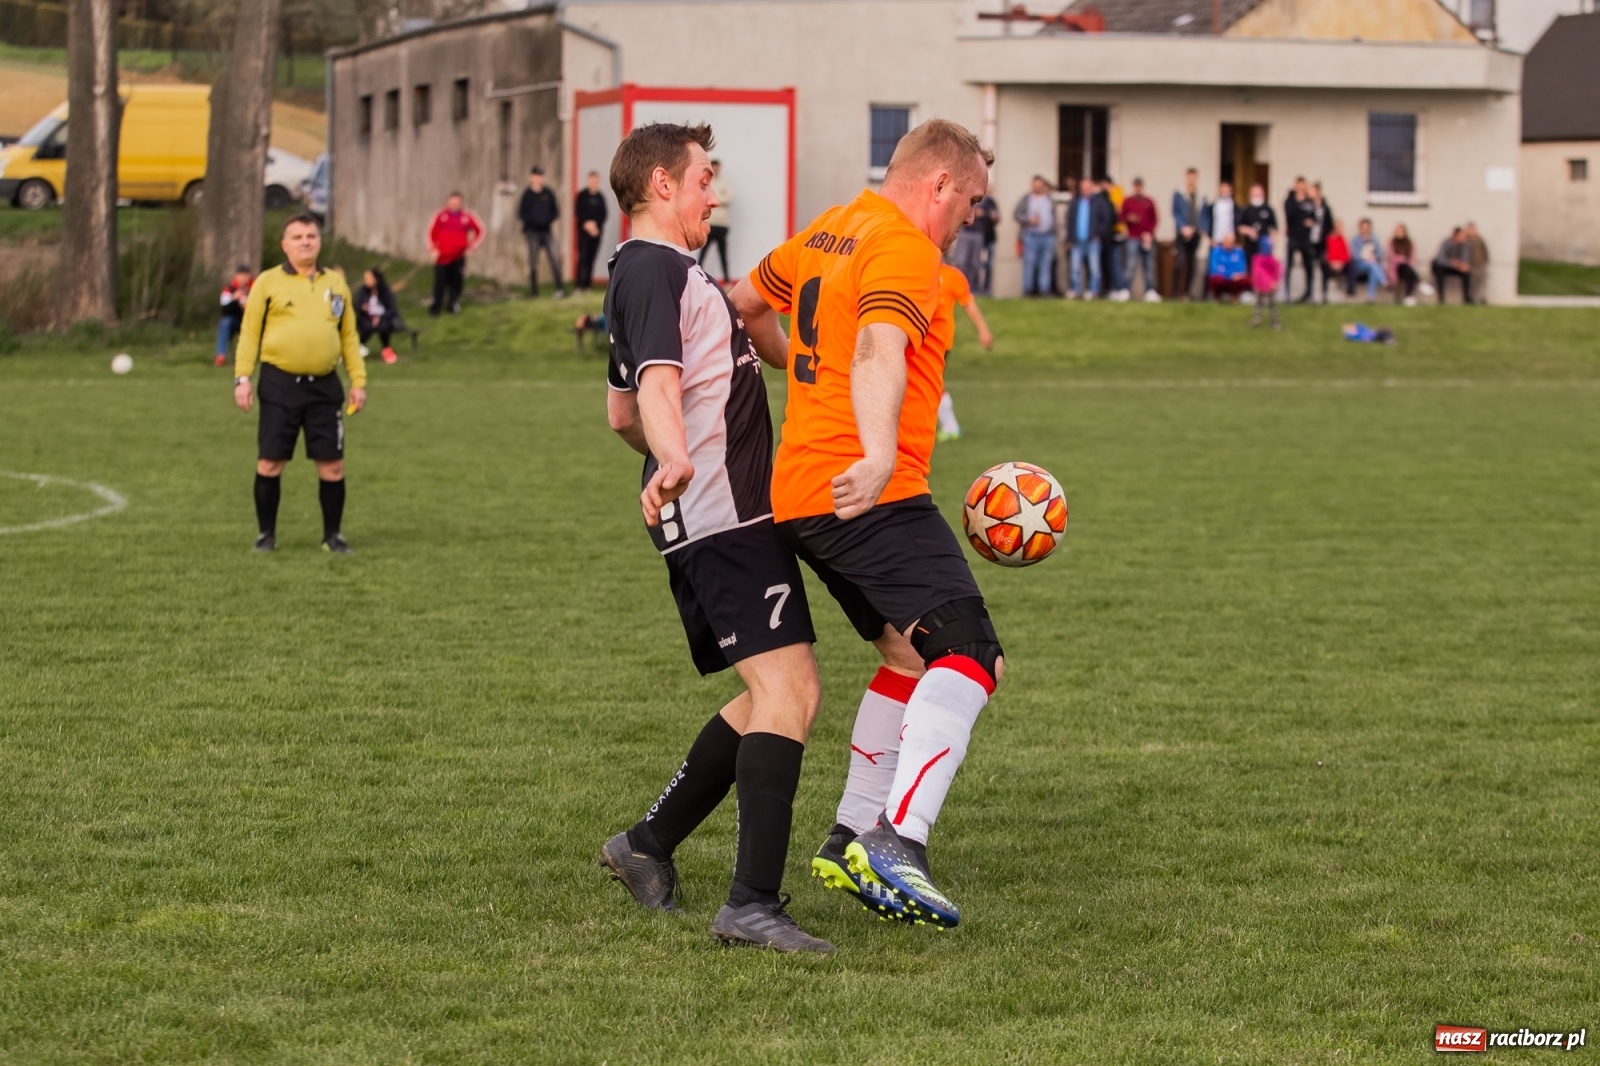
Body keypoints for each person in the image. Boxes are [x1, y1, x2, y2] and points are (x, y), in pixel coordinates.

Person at [731, 118, 1001, 930]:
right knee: (970, 651)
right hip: (868, 493)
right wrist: (879, 453)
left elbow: (745, 305)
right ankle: (898, 841)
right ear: (940, 184)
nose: (973, 219)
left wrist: (795, 365)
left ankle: (849, 833)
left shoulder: (832, 226)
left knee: (904, 652)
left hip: (803, 491)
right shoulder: (905, 249)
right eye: (974, 201)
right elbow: (881, 349)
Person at [596, 122, 831, 955]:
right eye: (703, 179)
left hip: (724, 513)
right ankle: (752, 906)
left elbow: (620, 408)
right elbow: (654, 389)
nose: (713, 194)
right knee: (789, 694)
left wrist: (664, 459)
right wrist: (675, 460)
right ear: (661, 184)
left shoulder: (653, 271)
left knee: (776, 691)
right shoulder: (656, 267)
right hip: (725, 517)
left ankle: (647, 844)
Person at [232, 213, 365, 554]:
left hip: (324, 386)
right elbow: (250, 333)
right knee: (270, 462)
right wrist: (242, 378)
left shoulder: (335, 283)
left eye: (311, 235)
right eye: (298, 237)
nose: (305, 241)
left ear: (319, 241)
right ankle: (266, 535)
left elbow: (348, 335)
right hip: (279, 384)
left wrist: (358, 381)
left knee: (332, 465)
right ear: (284, 244)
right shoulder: (267, 282)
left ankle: (332, 536)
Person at [934, 261, 994, 443]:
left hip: (940, 342)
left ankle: (950, 426)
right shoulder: (915, 269)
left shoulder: (953, 276)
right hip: (916, 339)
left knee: (933, 385)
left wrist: (983, 330)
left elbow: (968, 303)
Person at [427, 191, 484, 316]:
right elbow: (431, 233)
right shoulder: (440, 215)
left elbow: (481, 230)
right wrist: (433, 249)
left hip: (458, 256)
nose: (454, 205)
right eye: (451, 202)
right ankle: (435, 308)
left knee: (456, 282)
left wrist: (472, 247)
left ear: (461, 203)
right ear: (448, 202)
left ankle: (452, 305)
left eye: (456, 203)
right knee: (440, 283)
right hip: (442, 257)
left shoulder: (467, 216)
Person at [518, 167, 566, 298]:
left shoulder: (548, 193)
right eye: (536, 175)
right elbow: (521, 214)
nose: (538, 178)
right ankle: (534, 292)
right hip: (532, 232)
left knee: (555, 259)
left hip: (546, 231)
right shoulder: (527, 195)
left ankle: (560, 289)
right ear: (531, 177)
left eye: (540, 175)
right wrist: (534, 221)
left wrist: (545, 220)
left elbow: (555, 212)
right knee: (533, 261)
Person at [1065, 176, 1114, 300]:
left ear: (1092, 188)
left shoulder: (1099, 202)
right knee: (1075, 268)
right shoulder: (1076, 202)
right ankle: (1075, 290)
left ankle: (1093, 291)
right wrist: (1069, 239)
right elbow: (1070, 221)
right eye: (1083, 188)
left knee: (1094, 268)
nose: (1085, 190)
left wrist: (1099, 234)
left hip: (1093, 240)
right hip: (1077, 241)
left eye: (1088, 188)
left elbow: (1106, 220)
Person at [1014, 175, 1056, 296]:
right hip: (1030, 236)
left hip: (1047, 237)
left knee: (1045, 264)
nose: (1037, 187)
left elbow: (1054, 218)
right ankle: (1028, 291)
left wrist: (1055, 235)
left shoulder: (1049, 199)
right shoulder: (1026, 199)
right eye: (1035, 185)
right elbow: (1016, 214)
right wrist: (1028, 220)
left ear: (1043, 186)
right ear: (1032, 185)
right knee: (1029, 264)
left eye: (1040, 185)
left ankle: (1044, 291)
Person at [1119, 176, 1160, 301]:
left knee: (1149, 266)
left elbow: (1155, 219)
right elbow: (1121, 217)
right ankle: (1125, 289)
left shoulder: (1149, 201)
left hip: (1146, 238)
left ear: (1142, 187)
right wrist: (1129, 219)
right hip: (1133, 237)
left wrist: (1150, 234)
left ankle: (1150, 290)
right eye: (1136, 186)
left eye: (1140, 186)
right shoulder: (1128, 201)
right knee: (1130, 265)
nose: (1138, 188)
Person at [354, 267, 403, 365]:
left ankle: (386, 349)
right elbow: (356, 305)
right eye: (365, 279)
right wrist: (363, 307)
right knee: (367, 326)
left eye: (368, 278)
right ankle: (358, 346)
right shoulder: (363, 291)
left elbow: (392, 309)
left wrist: (380, 316)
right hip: (366, 317)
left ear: (376, 279)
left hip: (383, 317)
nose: (366, 281)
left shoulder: (385, 291)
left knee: (383, 326)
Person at [1170, 168, 1205, 301]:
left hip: (1195, 233)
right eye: (1190, 177)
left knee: (1191, 263)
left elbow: (1203, 214)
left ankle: (1187, 293)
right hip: (1182, 232)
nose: (1192, 180)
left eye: (1194, 177)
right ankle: (1175, 292)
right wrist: (1183, 228)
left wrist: (1201, 229)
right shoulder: (1179, 193)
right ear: (1186, 178)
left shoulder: (1201, 195)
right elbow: (1175, 213)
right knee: (1180, 261)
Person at [697, 159, 733, 283]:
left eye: (718, 167)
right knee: (703, 251)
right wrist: (719, 195)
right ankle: (696, 276)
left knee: (722, 253)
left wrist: (714, 196)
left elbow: (729, 199)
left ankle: (727, 279)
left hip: (722, 224)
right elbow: (702, 197)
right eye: (714, 167)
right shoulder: (707, 183)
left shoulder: (724, 183)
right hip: (710, 223)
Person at [1199, 181, 1236, 299]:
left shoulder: (1234, 206)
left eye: (1226, 189)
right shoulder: (1214, 205)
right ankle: (1209, 294)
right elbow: (1205, 219)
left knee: (1230, 267)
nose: (1224, 192)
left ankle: (1231, 294)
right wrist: (1209, 237)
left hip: (1229, 242)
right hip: (1216, 241)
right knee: (1213, 269)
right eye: (1222, 189)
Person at [573, 170, 608, 293]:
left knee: (591, 258)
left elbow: (603, 215)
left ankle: (588, 285)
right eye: (592, 180)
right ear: (588, 181)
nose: (593, 183)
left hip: (596, 233)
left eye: (596, 181)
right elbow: (578, 212)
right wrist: (587, 225)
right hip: (584, 233)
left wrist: (595, 226)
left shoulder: (600, 197)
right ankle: (579, 285)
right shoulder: (582, 196)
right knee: (583, 257)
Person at [214, 264, 253, 368]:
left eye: (246, 275)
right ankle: (220, 356)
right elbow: (224, 309)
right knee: (225, 322)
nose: (243, 278)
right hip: (235, 322)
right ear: (236, 276)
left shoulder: (255, 287)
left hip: (251, 321)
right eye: (241, 275)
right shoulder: (229, 289)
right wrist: (233, 299)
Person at [1283, 177, 1314, 303]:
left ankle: (1309, 294)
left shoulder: (1309, 201)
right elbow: (1289, 217)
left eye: (1303, 186)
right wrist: (1299, 203)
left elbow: (1313, 216)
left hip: (1305, 238)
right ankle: (1287, 295)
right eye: (1299, 185)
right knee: (1289, 266)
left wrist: (1310, 222)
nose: (1301, 188)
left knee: (1308, 266)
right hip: (1293, 237)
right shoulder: (1289, 201)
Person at [1304, 181, 1334, 303]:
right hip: (1310, 241)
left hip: (1321, 242)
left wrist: (1322, 229)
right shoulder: (1307, 206)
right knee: (1310, 268)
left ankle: (1324, 294)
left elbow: (1330, 225)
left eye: (1311, 191)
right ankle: (1310, 294)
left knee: (1323, 267)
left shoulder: (1325, 207)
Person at [1236, 182, 1276, 270]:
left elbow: (1274, 227)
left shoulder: (1268, 209)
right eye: (1254, 194)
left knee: (1263, 269)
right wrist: (1249, 231)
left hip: (1264, 245)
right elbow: (1239, 227)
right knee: (1251, 268)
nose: (1257, 197)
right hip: (1250, 246)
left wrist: (1271, 240)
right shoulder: (1246, 210)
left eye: (1259, 194)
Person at [1101, 174, 1128, 299]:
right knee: (1110, 263)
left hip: (1117, 233)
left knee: (1116, 262)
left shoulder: (1116, 194)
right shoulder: (1106, 196)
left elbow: (1119, 213)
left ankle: (1120, 288)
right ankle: (1113, 288)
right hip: (1109, 234)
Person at [1347, 218, 1387, 302]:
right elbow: (1354, 255)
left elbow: (1380, 253)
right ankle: (1384, 281)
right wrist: (1365, 258)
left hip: (1372, 264)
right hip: (1359, 265)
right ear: (1360, 228)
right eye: (1363, 228)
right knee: (1372, 265)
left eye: (1367, 228)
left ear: (1369, 228)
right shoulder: (1355, 240)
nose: (1365, 230)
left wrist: (1374, 257)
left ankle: (1370, 296)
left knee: (1373, 267)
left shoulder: (1374, 239)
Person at [1249, 234, 1282, 330]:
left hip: (1269, 286)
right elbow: (1256, 273)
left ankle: (1274, 321)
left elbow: (1277, 272)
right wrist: (1256, 284)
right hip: (1261, 285)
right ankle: (1257, 318)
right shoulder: (1257, 259)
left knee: (1271, 304)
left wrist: (1275, 282)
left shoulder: (1271, 260)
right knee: (1259, 303)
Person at [1432, 228, 1472, 305]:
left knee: (1466, 273)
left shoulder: (1464, 245)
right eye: (1461, 236)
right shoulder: (1446, 242)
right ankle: (1441, 298)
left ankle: (1466, 298)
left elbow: (1465, 258)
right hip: (1444, 266)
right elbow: (1440, 258)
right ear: (1455, 236)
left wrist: (1462, 265)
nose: (1463, 238)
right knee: (1439, 270)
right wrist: (1451, 263)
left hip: (1457, 267)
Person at [1206, 231, 1249, 302]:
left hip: (1234, 280)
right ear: (1223, 242)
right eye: (1227, 241)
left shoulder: (1239, 252)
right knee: (1215, 280)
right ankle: (1218, 297)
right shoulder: (1216, 251)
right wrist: (1229, 275)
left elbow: (1241, 268)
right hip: (1222, 278)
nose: (1229, 244)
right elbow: (1214, 269)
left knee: (1245, 279)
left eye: (1231, 242)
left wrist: (1236, 275)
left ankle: (1234, 296)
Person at [972, 186, 999, 294]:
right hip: (979, 237)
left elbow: (996, 217)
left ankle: (986, 289)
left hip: (990, 238)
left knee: (988, 265)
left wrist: (992, 217)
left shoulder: (992, 203)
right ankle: (975, 288)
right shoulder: (976, 201)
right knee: (977, 263)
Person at [1390, 223, 1419, 305]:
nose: (1399, 232)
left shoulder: (1409, 243)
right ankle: (1409, 296)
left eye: (1401, 231)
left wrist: (1407, 262)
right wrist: (1402, 259)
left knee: (1408, 271)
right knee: (1407, 270)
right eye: (1397, 231)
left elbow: (1413, 257)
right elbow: (1392, 258)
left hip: (1407, 267)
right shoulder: (1392, 242)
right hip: (1396, 267)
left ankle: (1408, 296)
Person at [1323, 219, 1352, 302]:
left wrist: (1341, 262)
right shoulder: (1326, 239)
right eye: (1338, 227)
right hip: (1330, 263)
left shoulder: (1342, 238)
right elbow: (1325, 253)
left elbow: (1346, 253)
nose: (1340, 229)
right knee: (1324, 268)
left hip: (1341, 263)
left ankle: (1350, 291)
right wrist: (1331, 262)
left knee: (1351, 267)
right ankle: (1325, 292)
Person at [1464, 222, 1489, 304]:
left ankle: (1482, 297)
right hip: (1472, 264)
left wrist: (1486, 261)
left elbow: (1485, 250)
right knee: (1473, 283)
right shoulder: (1466, 240)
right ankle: (1473, 298)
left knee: (1482, 281)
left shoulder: (1479, 239)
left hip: (1481, 263)